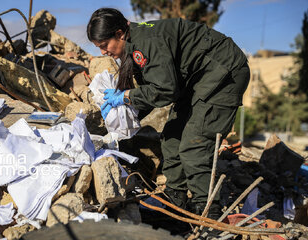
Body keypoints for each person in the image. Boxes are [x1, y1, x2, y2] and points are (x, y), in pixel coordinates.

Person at [87, 8, 250, 217]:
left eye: (103, 45)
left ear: (119, 34)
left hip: (223, 73)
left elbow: (164, 91)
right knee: (172, 138)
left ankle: (208, 211)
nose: (103, 52)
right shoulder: (135, 43)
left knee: (196, 144)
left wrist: (127, 96)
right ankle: (176, 198)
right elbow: (155, 89)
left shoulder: (146, 42)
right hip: (196, 80)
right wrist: (125, 110)